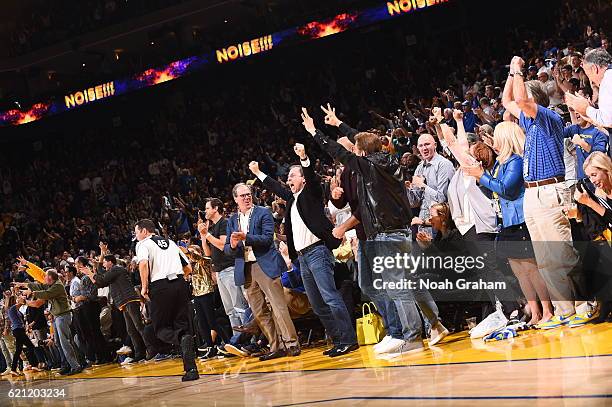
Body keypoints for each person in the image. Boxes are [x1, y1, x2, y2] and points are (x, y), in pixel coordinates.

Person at [305, 106, 448, 355]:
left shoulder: (369, 167)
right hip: (401, 231)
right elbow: (364, 139)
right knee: (411, 281)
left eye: (357, 149)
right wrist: (339, 123)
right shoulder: (388, 160)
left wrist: (314, 132)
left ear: (361, 152)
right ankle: (435, 325)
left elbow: (338, 150)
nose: (355, 151)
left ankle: (412, 337)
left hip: (385, 233)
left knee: (396, 285)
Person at [249, 142, 358, 357]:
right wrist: (258, 173)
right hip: (302, 258)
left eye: (292, 176)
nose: (288, 180)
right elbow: (275, 187)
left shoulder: (311, 193)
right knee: (317, 305)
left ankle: (348, 339)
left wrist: (304, 157)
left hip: (318, 252)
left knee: (330, 297)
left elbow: (314, 178)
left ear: (303, 179)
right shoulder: (291, 199)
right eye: (288, 177)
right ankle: (338, 340)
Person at [502, 55, 584, 328]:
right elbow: (506, 102)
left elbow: (521, 100)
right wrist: (511, 75)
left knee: (561, 254)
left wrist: (517, 70)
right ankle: (565, 311)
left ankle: (585, 304)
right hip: (532, 194)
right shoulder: (527, 122)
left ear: (533, 98)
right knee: (546, 259)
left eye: (521, 93)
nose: (517, 101)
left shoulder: (548, 117)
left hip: (550, 190)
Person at [463, 121, 554, 326]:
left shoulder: (515, 161)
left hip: (520, 219)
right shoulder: (501, 164)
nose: (494, 142)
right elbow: (492, 192)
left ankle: (548, 309)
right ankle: (536, 313)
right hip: (505, 222)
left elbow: (507, 189)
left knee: (531, 269)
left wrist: (482, 177)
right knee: (520, 273)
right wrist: (481, 178)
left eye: (497, 137)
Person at [224, 183, 300, 361]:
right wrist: (234, 245)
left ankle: (292, 343)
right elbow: (228, 249)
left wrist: (246, 237)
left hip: (264, 264)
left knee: (278, 306)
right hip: (246, 268)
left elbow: (267, 238)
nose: (246, 197)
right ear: (235, 198)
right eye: (242, 195)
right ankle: (276, 346)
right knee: (259, 312)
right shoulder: (232, 220)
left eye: (248, 194)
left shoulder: (263, 212)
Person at [134, 219, 198, 382]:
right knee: (182, 325)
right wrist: (177, 281)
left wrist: (144, 287)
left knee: (160, 329)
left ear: (144, 231)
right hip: (179, 283)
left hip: (160, 286)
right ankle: (191, 370)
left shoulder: (143, 244)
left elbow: (143, 265)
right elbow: (188, 267)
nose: (136, 236)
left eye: (136, 232)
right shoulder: (170, 242)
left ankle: (180, 339)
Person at [198, 198, 250, 356]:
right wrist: (203, 236)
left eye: (207, 208)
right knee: (230, 310)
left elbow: (222, 245)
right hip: (220, 271)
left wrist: (207, 234)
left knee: (239, 306)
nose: (205, 211)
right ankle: (236, 341)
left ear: (216, 208)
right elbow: (207, 253)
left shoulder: (225, 223)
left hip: (230, 268)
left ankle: (246, 340)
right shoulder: (212, 228)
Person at [80, 251, 151, 363]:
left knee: (139, 326)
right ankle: (139, 354)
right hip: (124, 302)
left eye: (104, 262)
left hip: (129, 300)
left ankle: (152, 350)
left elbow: (102, 279)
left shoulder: (117, 269)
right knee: (131, 330)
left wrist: (90, 272)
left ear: (110, 262)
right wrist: (91, 271)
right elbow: (100, 281)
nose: (103, 264)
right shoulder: (112, 272)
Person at [17, 269, 82, 375]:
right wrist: (24, 285)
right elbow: (39, 286)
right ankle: (66, 365)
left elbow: (46, 294)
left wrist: (29, 295)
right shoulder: (51, 285)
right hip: (57, 317)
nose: (43, 278)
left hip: (63, 316)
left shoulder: (57, 286)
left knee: (65, 342)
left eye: (45, 276)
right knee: (58, 343)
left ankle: (75, 366)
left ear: (50, 278)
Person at [573, 152, 612, 323]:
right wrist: (579, 212)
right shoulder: (599, 191)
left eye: (595, 174)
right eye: (589, 176)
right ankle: (606, 305)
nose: (593, 180)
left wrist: (589, 202)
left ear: (606, 169)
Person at [407, 134, 456, 228]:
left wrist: (423, 186)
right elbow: (414, 203)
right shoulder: (419, 167)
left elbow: (442, 200)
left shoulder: (444, 165)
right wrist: (408, 189)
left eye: (427, 144)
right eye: (421, 146)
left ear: (435, 145)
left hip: (441, 223)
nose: (424, 148)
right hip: (423, 221)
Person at [74, 256, 110, 365]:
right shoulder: (84, 277)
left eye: (76, 263)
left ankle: (103, 356)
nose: (75, 266)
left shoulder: (87, 277)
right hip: (88, 306)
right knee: (92, 332)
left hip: (91, 306)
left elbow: (91, 294)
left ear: (80, 264)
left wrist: (79, 297)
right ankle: (100, 356)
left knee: (95, 332)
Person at [565, 48, 612, 132]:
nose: (590, 80)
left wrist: (586, 109)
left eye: (588, 73)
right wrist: (588, 115)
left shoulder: (607, 79)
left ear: (594, 68)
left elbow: (608, 120)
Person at [6, 294, 40, 376]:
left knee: (18, 350)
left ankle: (14, 369)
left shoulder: (15, 310)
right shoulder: (12, 308)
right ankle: (34, 365)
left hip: (19, 330)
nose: (17, 300)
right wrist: (22, 299)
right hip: (18, 330)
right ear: (12, 301)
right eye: (15, 299)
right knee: (30, 346)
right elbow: (22, 302)